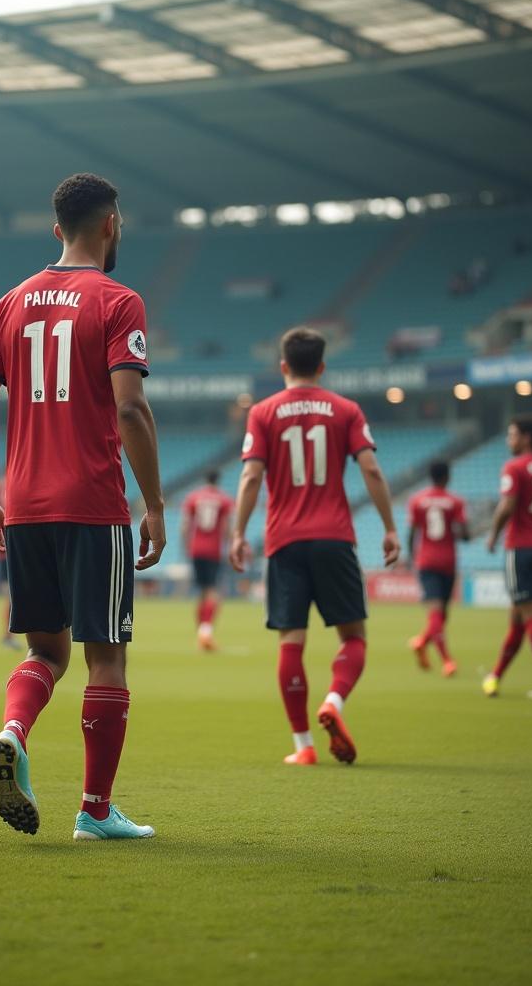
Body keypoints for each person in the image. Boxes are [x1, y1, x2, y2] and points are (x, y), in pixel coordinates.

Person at [0, 172, 165, 840]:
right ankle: (95, 812)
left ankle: (13, 732)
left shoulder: (10, 302)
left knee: (44, 651)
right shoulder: (118, 300)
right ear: (111, 225)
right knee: (106, 657)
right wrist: (156, 504)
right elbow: (130, 406)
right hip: (92, 503)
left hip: (23, 507)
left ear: (57, 231)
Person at [230, 327, 400, 766]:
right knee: (354, 637)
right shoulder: (346, 410)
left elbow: (250, 477)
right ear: (322, 367)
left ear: (283, 366)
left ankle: (303, 746)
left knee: (291, 642)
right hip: (335, 537)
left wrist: (237, 533)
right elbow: (372, 470)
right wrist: (389, 528)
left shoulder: (264, 412)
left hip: (284, 539)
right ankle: (334, 703)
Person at [484, 417, 532, 699]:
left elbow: (507, 505)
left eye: (512, 434)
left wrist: (492, 535)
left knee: (530, 613)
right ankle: (495, 676)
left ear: (526, 437)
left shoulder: (514, 466)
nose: (508, 440)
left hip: (522, 547)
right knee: (518, 617)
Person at [406, 460, 468, 677]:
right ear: (447, 476)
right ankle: (447, 660)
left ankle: (422, 642)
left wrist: (410, 556)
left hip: (426, 560)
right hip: (448, 561)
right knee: (439, 612)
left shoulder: (417, 500)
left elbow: (412, 532)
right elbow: (465, 533)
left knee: (439, 614)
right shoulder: (455, 501)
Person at [181, 470, 234, 652]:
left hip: (196, 548)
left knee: (202, 592)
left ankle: (201, 633)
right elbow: (227, 526)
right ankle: (206, 633)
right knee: (213, 592)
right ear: (218, 480)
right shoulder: (224, 499)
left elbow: (186, 525)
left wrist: (186, 547)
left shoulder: (193, 497)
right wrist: (229, 546)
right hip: (214, 550)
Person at [0, 471, 21, 651]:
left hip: (5, 553)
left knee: (12, 598)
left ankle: (8, 636)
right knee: (12, 598)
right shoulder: (11, 485)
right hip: (9, 553)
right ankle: (7, 636)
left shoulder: (1, 485)